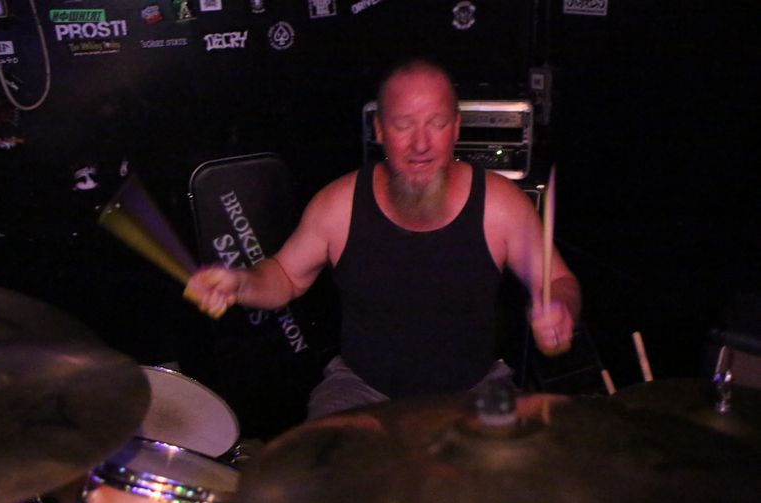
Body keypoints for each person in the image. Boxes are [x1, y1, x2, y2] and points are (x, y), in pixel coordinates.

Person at [186, 58, 581, 419]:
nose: (421, 144)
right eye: (403, 125)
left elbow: (559, 281)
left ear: (456, 127)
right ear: (379, 129)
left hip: (475, 389)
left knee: (519, 464)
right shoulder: (339, 204)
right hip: (361, 390)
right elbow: (285, 277)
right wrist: (240, 283)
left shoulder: (500, 205)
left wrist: (560, 308)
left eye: (436, 123)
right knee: (322, 461)